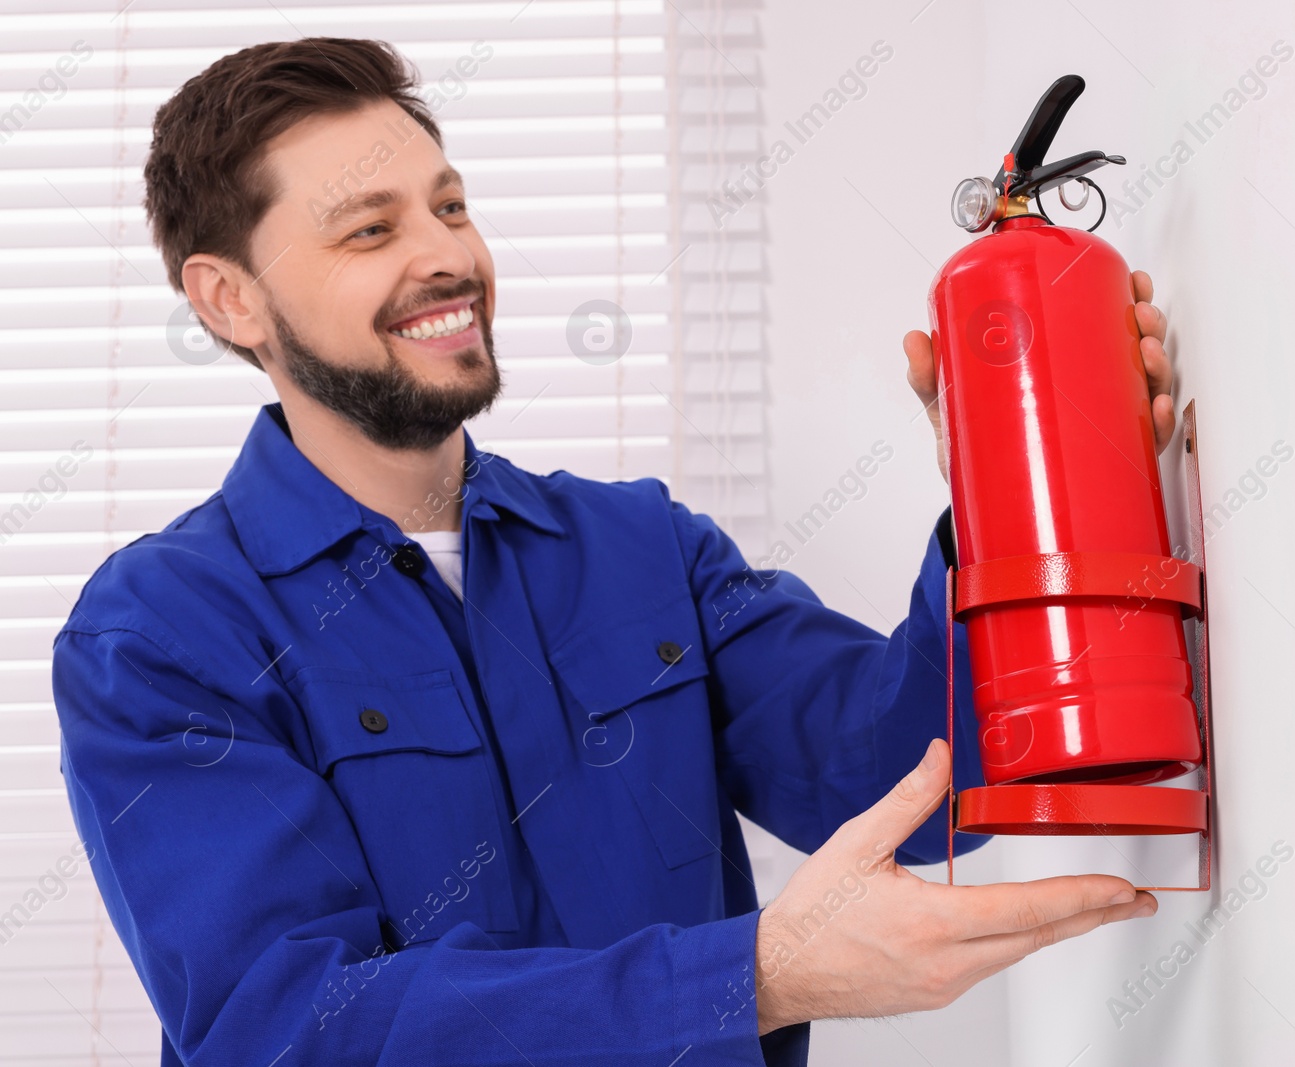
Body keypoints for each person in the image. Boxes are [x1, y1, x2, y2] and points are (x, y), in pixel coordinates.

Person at [51, 37, 1179, 1067]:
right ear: (230, 299)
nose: (448, 256)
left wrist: (1010, 474)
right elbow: (290, 1029)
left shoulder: (642, 547)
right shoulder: (159, 637)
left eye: (450, 207)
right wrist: (755, 978)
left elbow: (919, 785)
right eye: (371, 228)